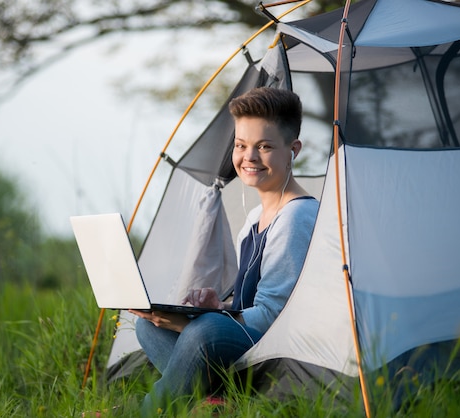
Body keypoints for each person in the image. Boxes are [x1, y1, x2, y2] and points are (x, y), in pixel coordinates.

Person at [130, 87, 319, 415]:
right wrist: (220, 305)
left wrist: (198, 322)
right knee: (149, 325)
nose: (249, 157)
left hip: (276, 349)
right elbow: (251, 303)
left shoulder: (297, 215)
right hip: (247, 340)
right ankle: (215, 398)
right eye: (241, 145)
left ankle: (147, 412)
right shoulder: (253, 220)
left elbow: (274, 316)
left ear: (293, 149)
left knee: (206, 332)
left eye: (264, 146)